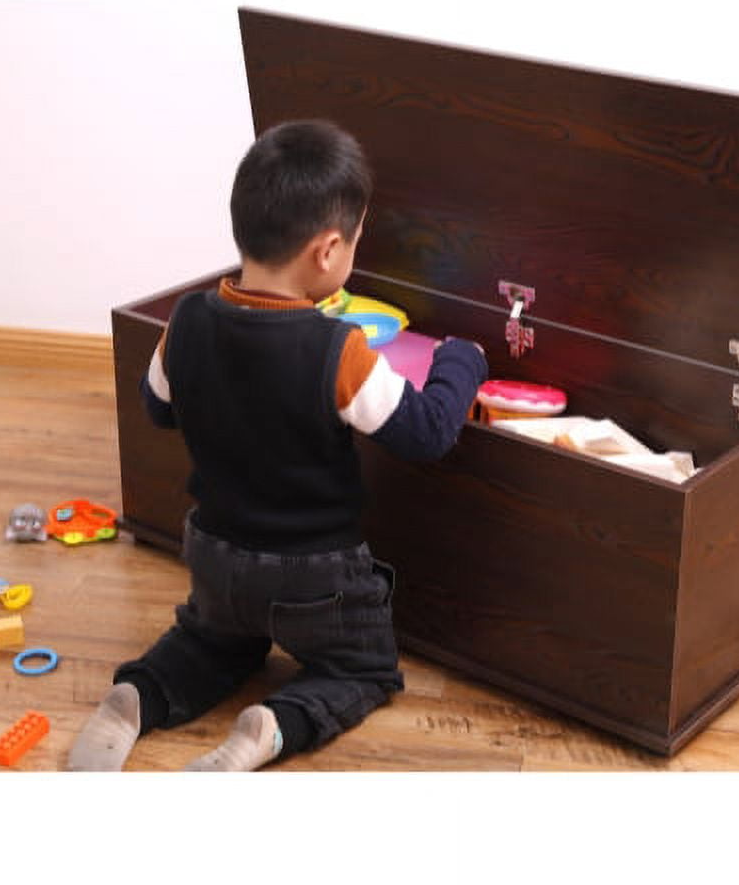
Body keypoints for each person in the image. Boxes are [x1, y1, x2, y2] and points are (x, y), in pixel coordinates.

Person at [68, 119, 487, 771]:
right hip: (313, 579)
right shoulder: (339, 350)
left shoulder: (186, 320)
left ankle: (137, 696)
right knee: (366, 668)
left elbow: (157, 406)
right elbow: (428, 432)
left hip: (216, 563)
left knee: (212, 643)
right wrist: (462, 359)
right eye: (356, 241)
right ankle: (275, 724)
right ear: (328, 251)